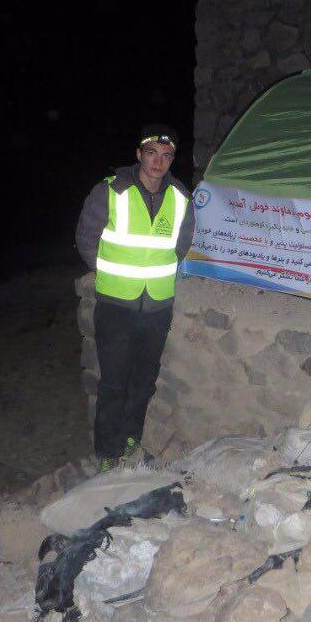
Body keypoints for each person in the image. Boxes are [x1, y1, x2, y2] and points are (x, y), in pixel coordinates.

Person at [75, 124, 195, 470]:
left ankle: (131, 439)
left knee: (143, 380)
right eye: (152, 153)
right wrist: (110, 273)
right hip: (116, 305)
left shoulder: (180, 197)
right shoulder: (111, 190)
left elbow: (181, 244)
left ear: (172, 159)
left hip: (157, 305)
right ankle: (107, 452)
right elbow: (86, 238)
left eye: (167, 156)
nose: (158, 162)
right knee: (113, 381)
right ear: (139, 154)